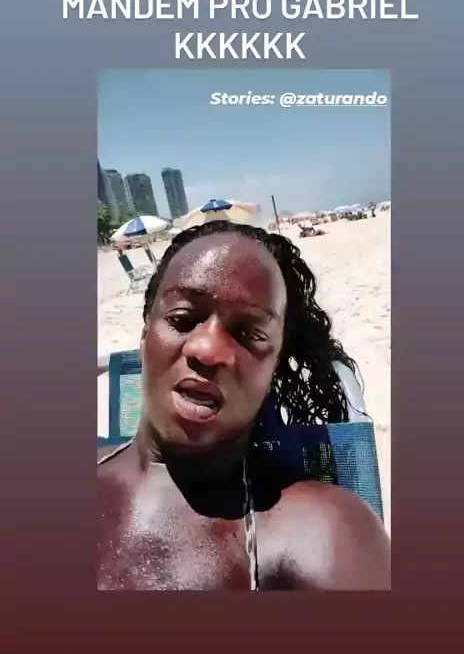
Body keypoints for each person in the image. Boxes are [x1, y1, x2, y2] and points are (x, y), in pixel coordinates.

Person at [98, 221, 390, 590]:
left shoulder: (320, 534)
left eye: (249, 333)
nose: (207, 350)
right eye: (182, 320)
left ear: (274, 367)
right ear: (145, 334)